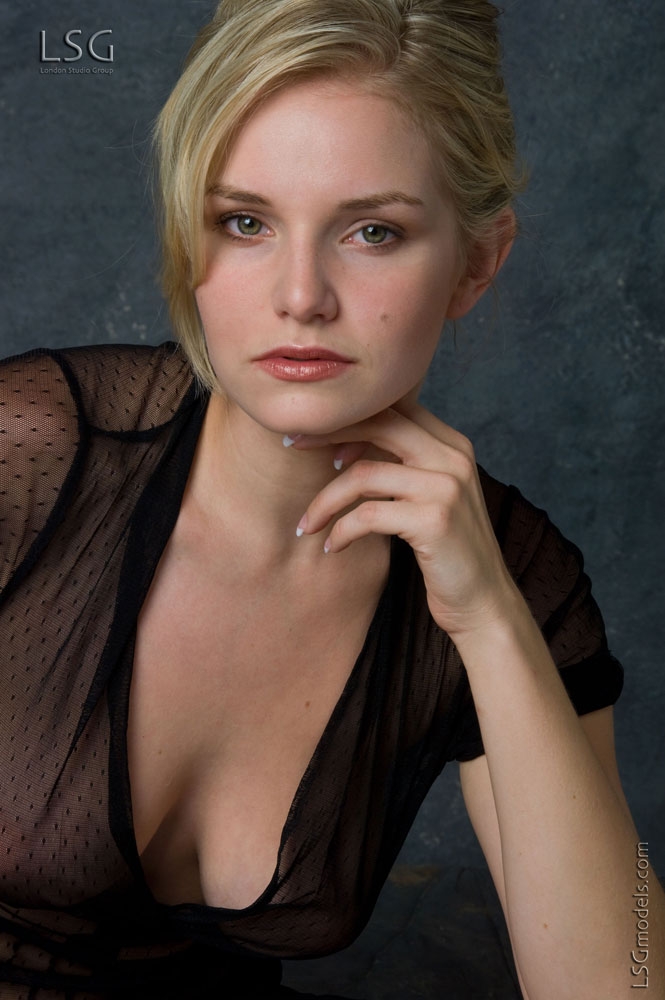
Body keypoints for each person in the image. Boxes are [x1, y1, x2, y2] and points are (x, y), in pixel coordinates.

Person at [0, 0, 662, 997]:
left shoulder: (507, 575)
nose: (300, 295)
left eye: (371, 231)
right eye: (245, 223)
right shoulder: (31, 458)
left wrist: (489, 622)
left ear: (476, 263)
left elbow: (620, 982)